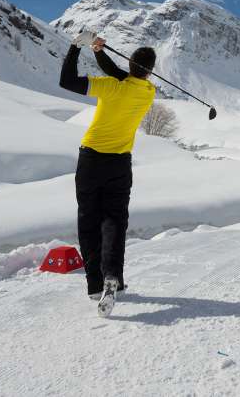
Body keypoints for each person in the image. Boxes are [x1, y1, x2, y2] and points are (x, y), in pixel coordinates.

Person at [59, 30, 156, 318]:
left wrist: (76, 47)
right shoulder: (147, 92)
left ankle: (95, 284)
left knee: (89, 220)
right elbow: (122, 74)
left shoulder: (110, 87)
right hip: (120, 164)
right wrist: (99, 51)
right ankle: (114, 275)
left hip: (91, 160)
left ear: (131, 66)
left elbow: (67, 81)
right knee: (114, 220)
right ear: (149, 73)